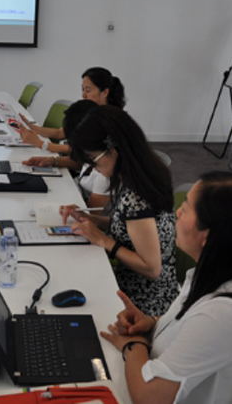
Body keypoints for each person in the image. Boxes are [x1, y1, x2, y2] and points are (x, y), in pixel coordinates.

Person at [101, 171, 232, 404]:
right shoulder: (218, 274)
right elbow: (192, 323)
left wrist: (134, 345)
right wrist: (152, 323)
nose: (177, 213)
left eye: (185, 208)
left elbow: (149, 397)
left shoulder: (228, 313)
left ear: (208, 236)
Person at [61, 106, 177, 315]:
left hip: (144, 302)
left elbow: (152, 269)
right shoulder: (145, 174)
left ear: (114, 150)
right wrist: (91, 219)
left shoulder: (136, 197)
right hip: (142, 287)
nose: (92, 167)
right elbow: (131, 226)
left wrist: (103, 240)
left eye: (92, 157)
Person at [18, 67, 125, 154]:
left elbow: (83, 151)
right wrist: (30, 127)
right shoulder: (88, 112)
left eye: (88, 90)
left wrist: (42, 144)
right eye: (82, 89)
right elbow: (60, 133)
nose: (83, 95)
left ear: (105, 92)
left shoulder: (110, 120)